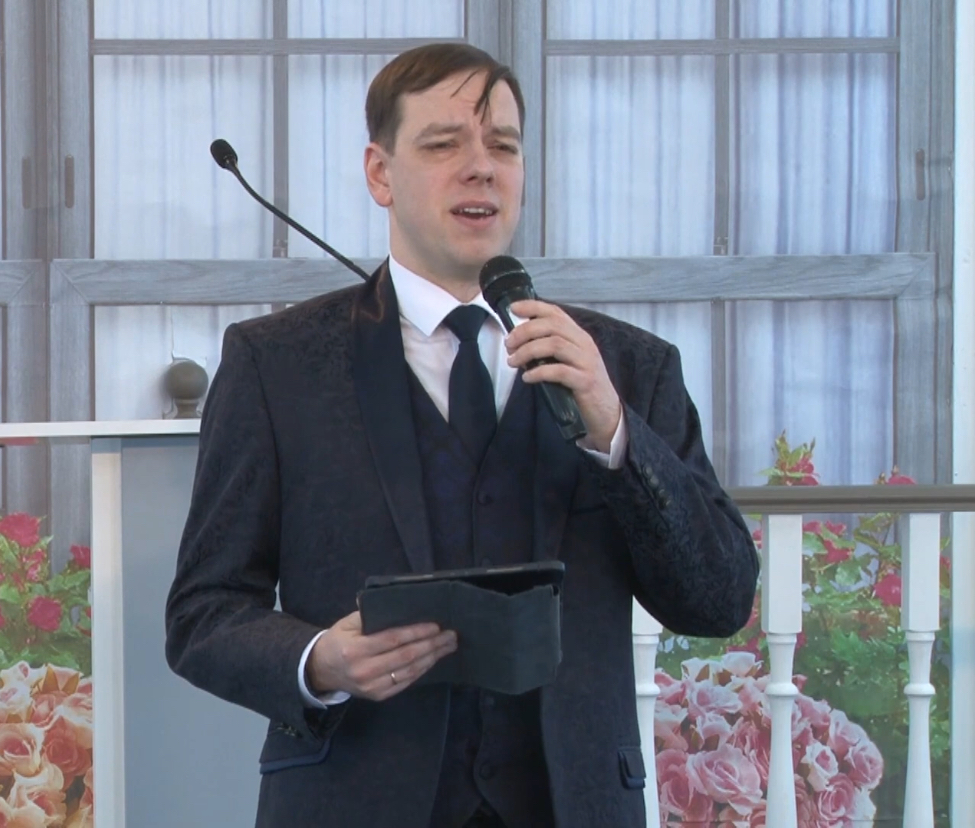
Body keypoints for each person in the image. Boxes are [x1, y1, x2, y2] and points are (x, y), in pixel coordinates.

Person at [164, 42, 758, 828]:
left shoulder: (625, 367)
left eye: (502, 147)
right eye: (443, 144)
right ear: (379, 173)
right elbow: (203, 613)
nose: (480, 168)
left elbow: (717, 600)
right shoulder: (275, 365)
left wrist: (615, 431)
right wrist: (317, 661)